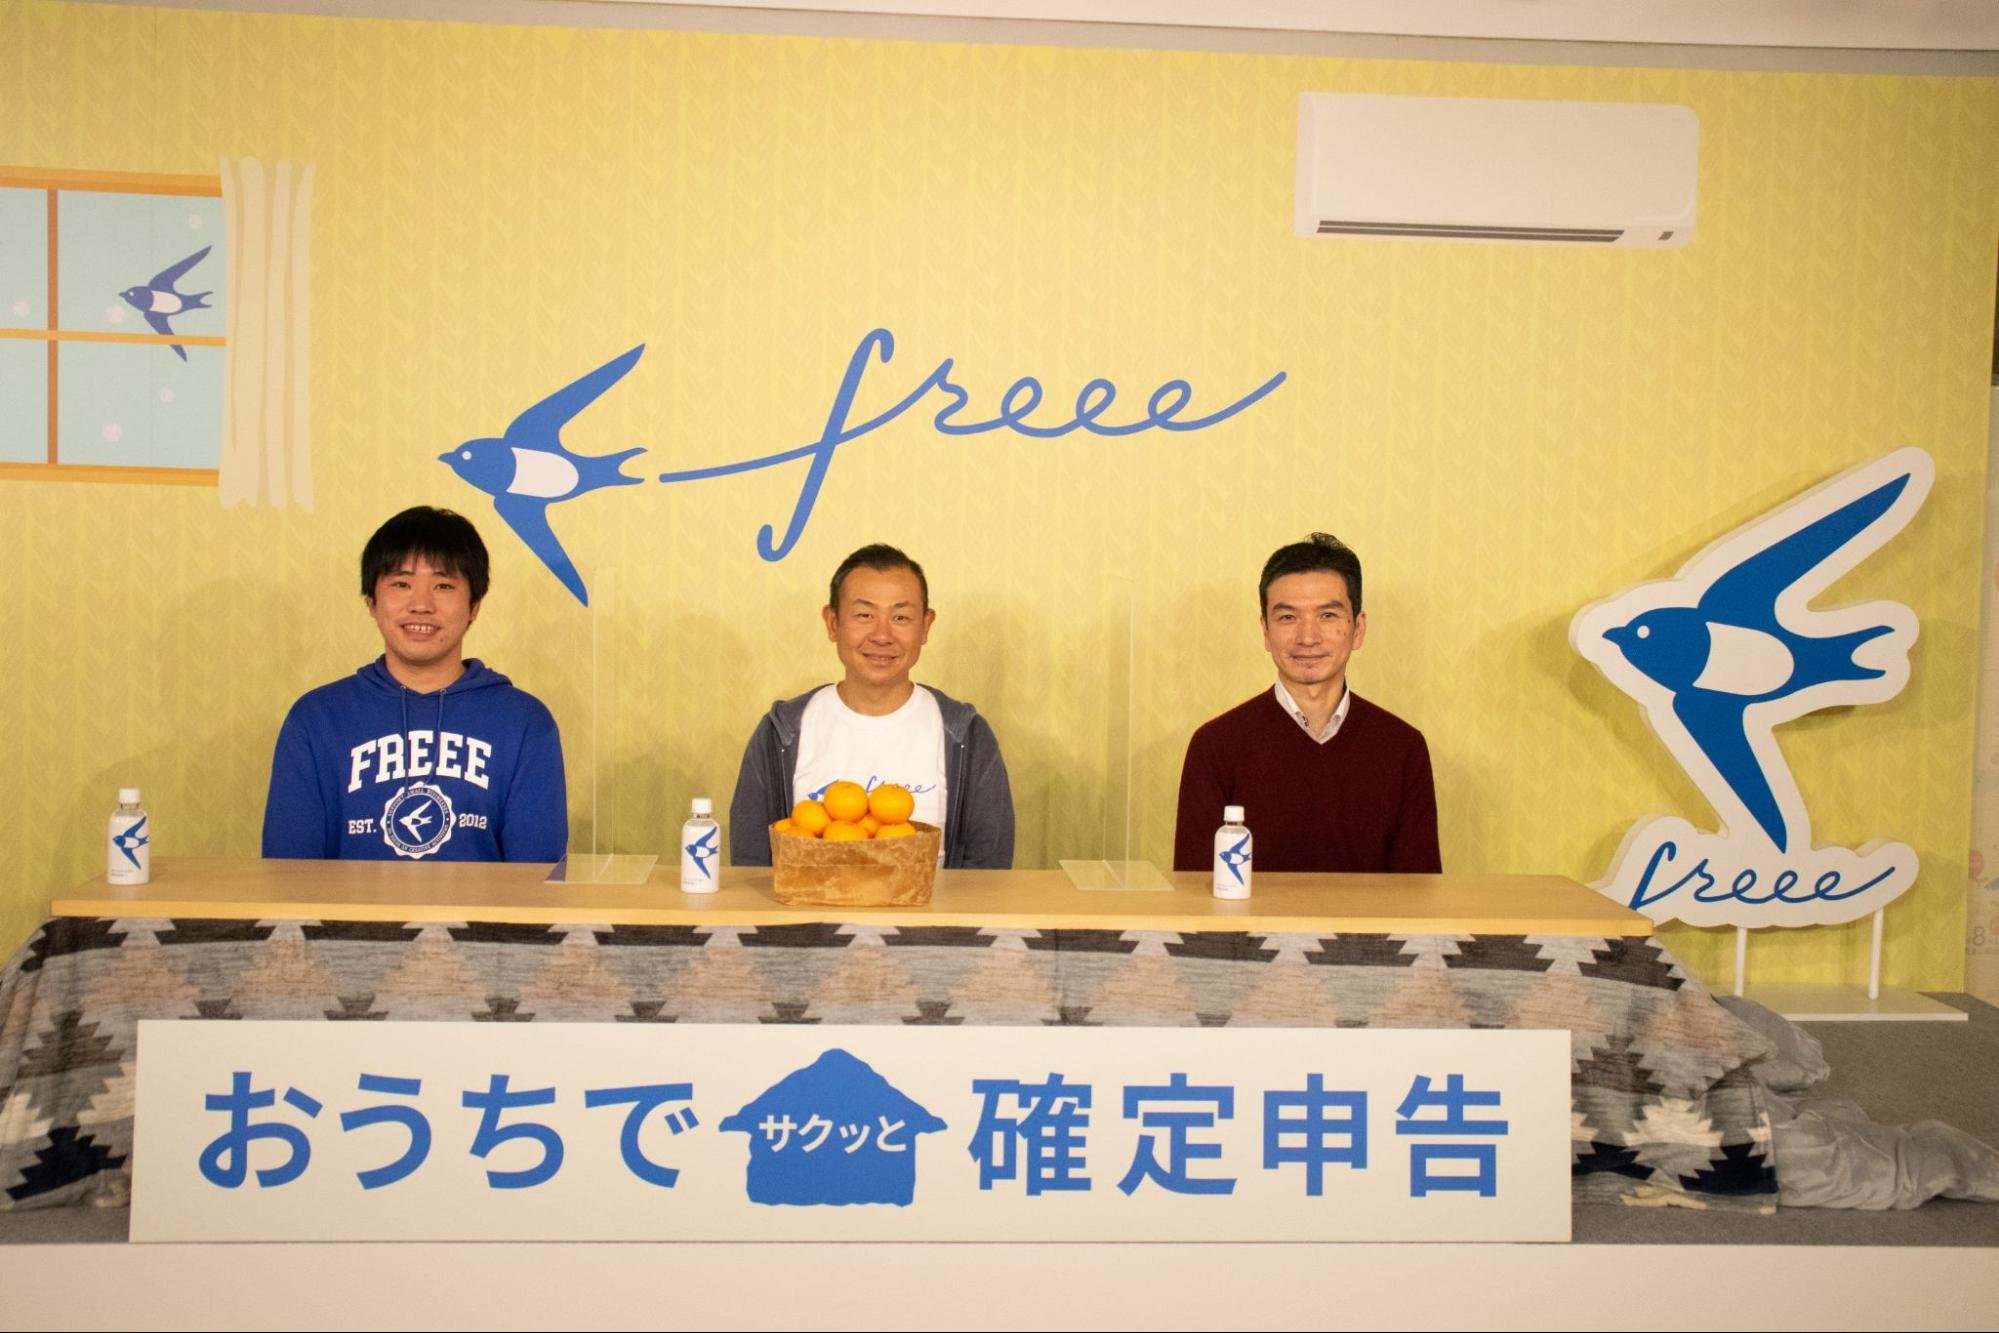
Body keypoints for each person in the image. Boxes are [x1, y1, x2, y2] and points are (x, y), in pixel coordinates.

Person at [261, 506, 568, 862]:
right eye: (401, 584)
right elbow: (288, 874)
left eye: (443, 585)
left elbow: (536, 877)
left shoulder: (525, 722)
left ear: (474, 605)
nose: (421, 605)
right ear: (372, 602)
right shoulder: (316, 719)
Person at [730, 543, 1014, 868]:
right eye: (864, 615)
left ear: (926, 626)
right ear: (833, 622)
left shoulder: (965, 734)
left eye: (901, 617)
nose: (882, 635)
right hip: (806, 903)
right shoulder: (782, 731)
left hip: (932, 903)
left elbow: (989, 872)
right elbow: (751, 866)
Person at [1172, 532, 1440, 874]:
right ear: (1265, 631)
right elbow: (1194, 890)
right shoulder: (1215, 746)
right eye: (1288, 617)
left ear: (1358, 629)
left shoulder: (1403, 747)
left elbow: (1419, 893)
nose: (1308, 637)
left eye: (1327, 615)